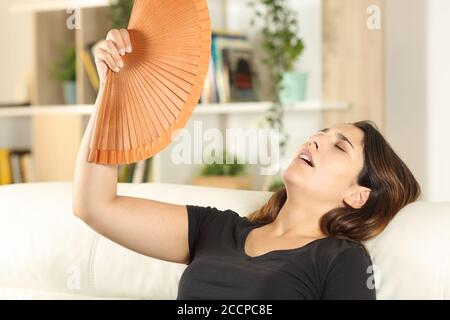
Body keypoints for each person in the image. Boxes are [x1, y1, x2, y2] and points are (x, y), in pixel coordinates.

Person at [72, 29, 421, 300]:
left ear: (358, 195)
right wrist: (114, 87)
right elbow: (95, 206)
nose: (316, 139)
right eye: (321, 132)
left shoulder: (339, 259)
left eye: (339, 146)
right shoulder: (217, 229)